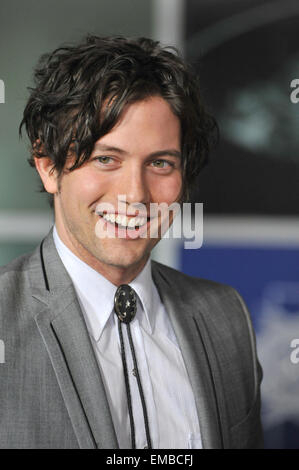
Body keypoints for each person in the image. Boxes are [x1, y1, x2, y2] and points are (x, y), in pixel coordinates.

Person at [0, 35, 263, 449]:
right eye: (106, 159)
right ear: (49, 167)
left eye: (160, 163)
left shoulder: (227, 317)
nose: (135, 194)